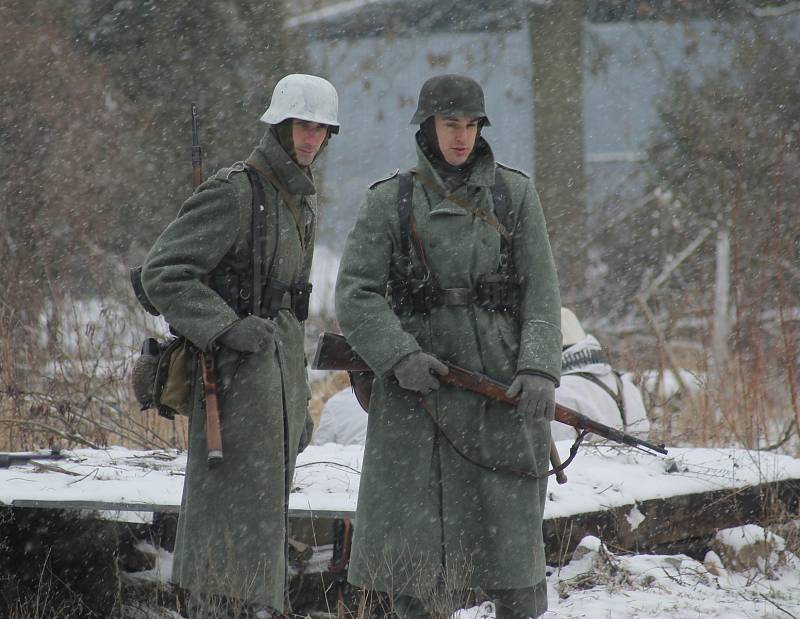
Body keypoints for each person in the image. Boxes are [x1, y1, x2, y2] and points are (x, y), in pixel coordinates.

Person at [335, 75, 561, 619]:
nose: (461, 137)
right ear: (428, 128)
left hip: (497, 386)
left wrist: (538, 369)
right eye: (449, 125)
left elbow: (542, 293)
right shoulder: (391, 200)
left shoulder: (514, 194)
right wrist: (398, 354)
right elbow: (356, 294)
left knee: (511, 549)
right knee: (413, 551)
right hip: (421, 393)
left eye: (470, 125)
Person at [139, 74, 339, 618]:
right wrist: (223, 325)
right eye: (302, 125)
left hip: (276, 382)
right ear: (279, 126)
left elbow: (290, 315)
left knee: (262, 519)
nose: (310, 138)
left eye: (320, 129)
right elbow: (163, 273)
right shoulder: (236, 191)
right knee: (226, 524)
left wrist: (297, 403)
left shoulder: (299, 199)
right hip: (231, 385)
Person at [552, 308, 650, 442]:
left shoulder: (559, 391)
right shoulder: (626, 385)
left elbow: (559, 451)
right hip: (634, 463)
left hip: (586, 464)